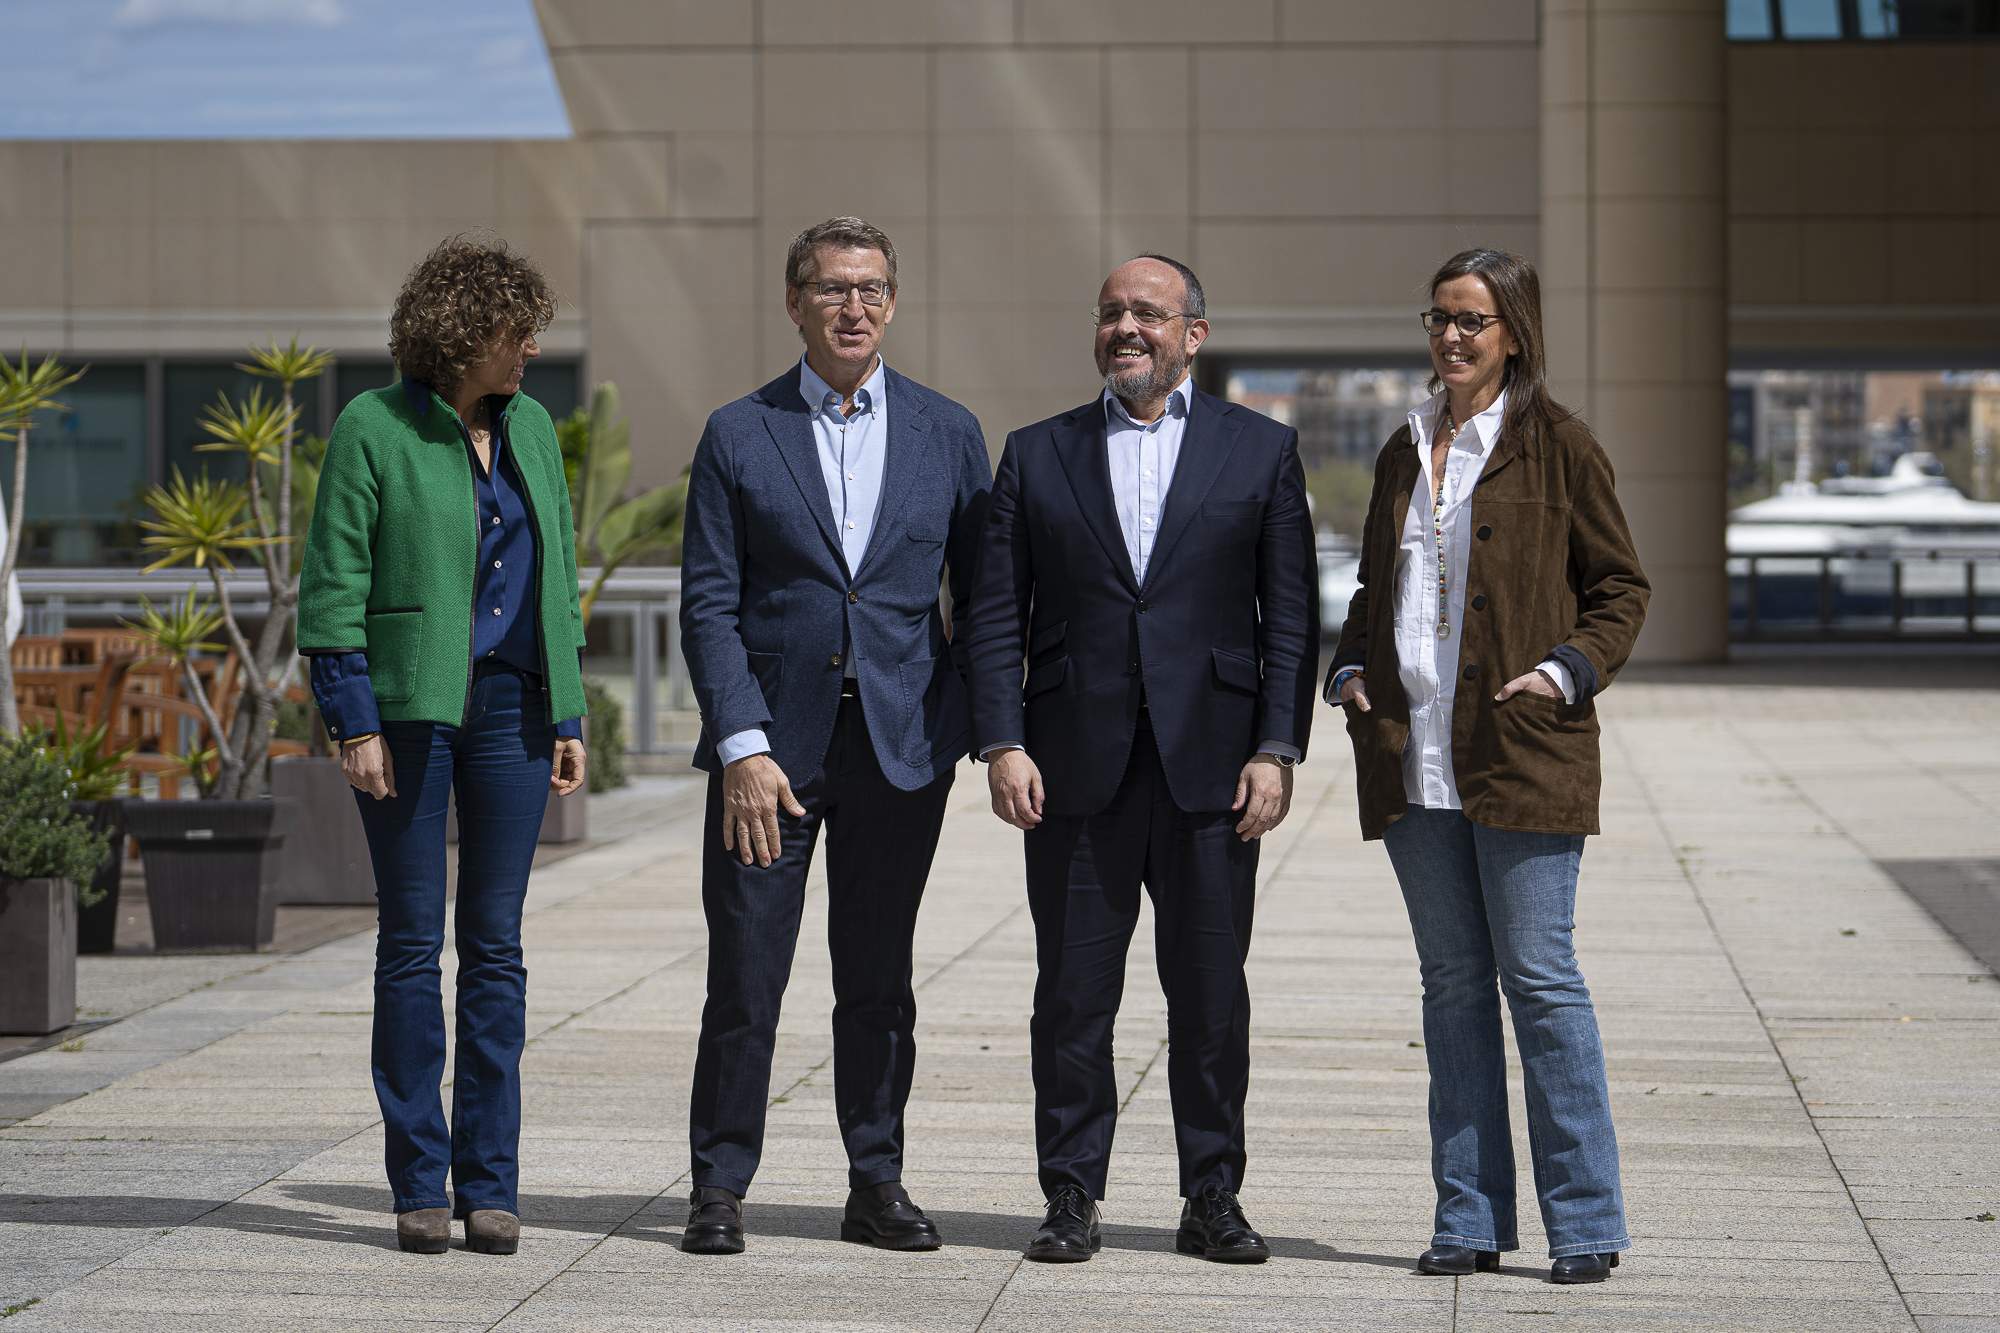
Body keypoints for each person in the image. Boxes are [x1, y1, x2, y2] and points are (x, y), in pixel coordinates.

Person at [965, 255, 1319, 1265]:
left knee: (1209, 995)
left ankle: (1212, 1196)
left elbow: (1289, 615)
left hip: (1212, 770)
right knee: (1071, 997)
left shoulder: (1260, 451)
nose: (1126, 327)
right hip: (1071, 768)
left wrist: (1275, 745)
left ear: (1192, 334)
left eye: (1147, 313)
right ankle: (1069, 1193)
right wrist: (1002, 739)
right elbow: (995, 613)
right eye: (1112, 311)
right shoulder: (1036, 454)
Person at [1326, 248, 1649, 1284]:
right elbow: (1372, 588)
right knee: (1452, 987)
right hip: (1408, 758)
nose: (1450, 338)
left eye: (1471, 320)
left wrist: (1564, 671)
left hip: (1519, 755)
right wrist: (1346, 669)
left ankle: (1585, 1219)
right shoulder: (1400, 444)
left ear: (1511, 329)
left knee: (1540, 981)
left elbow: (1620, 589)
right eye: (1438, 319)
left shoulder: (1559, 446)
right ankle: (1465, 1217)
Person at [676, 217, 991, 1256]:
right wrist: (739, 745)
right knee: (745, 975)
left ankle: (875, 1179)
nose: (850, 308)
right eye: (829, 290)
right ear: (792, 303)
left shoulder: (948, 432)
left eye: (868, 290)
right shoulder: (738, 431)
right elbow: (709, 603)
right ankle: (719, 1185)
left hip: (901, 750)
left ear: (892, 303)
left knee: (878, 978)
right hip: (771, 756)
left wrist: (993, 736)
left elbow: (982, 602)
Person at [297, 234, 588, 1257]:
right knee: (413, 945)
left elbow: (558, 570)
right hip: (407, 714)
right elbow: (332, 583)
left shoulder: (535, 428)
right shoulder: (372, 426)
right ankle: (420, 1179)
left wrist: (567, 712)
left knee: (497, 947)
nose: (531, 349)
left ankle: (491, 1183)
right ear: (463, 334)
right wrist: (353, 718)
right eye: (516, 333)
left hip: (513, 711)